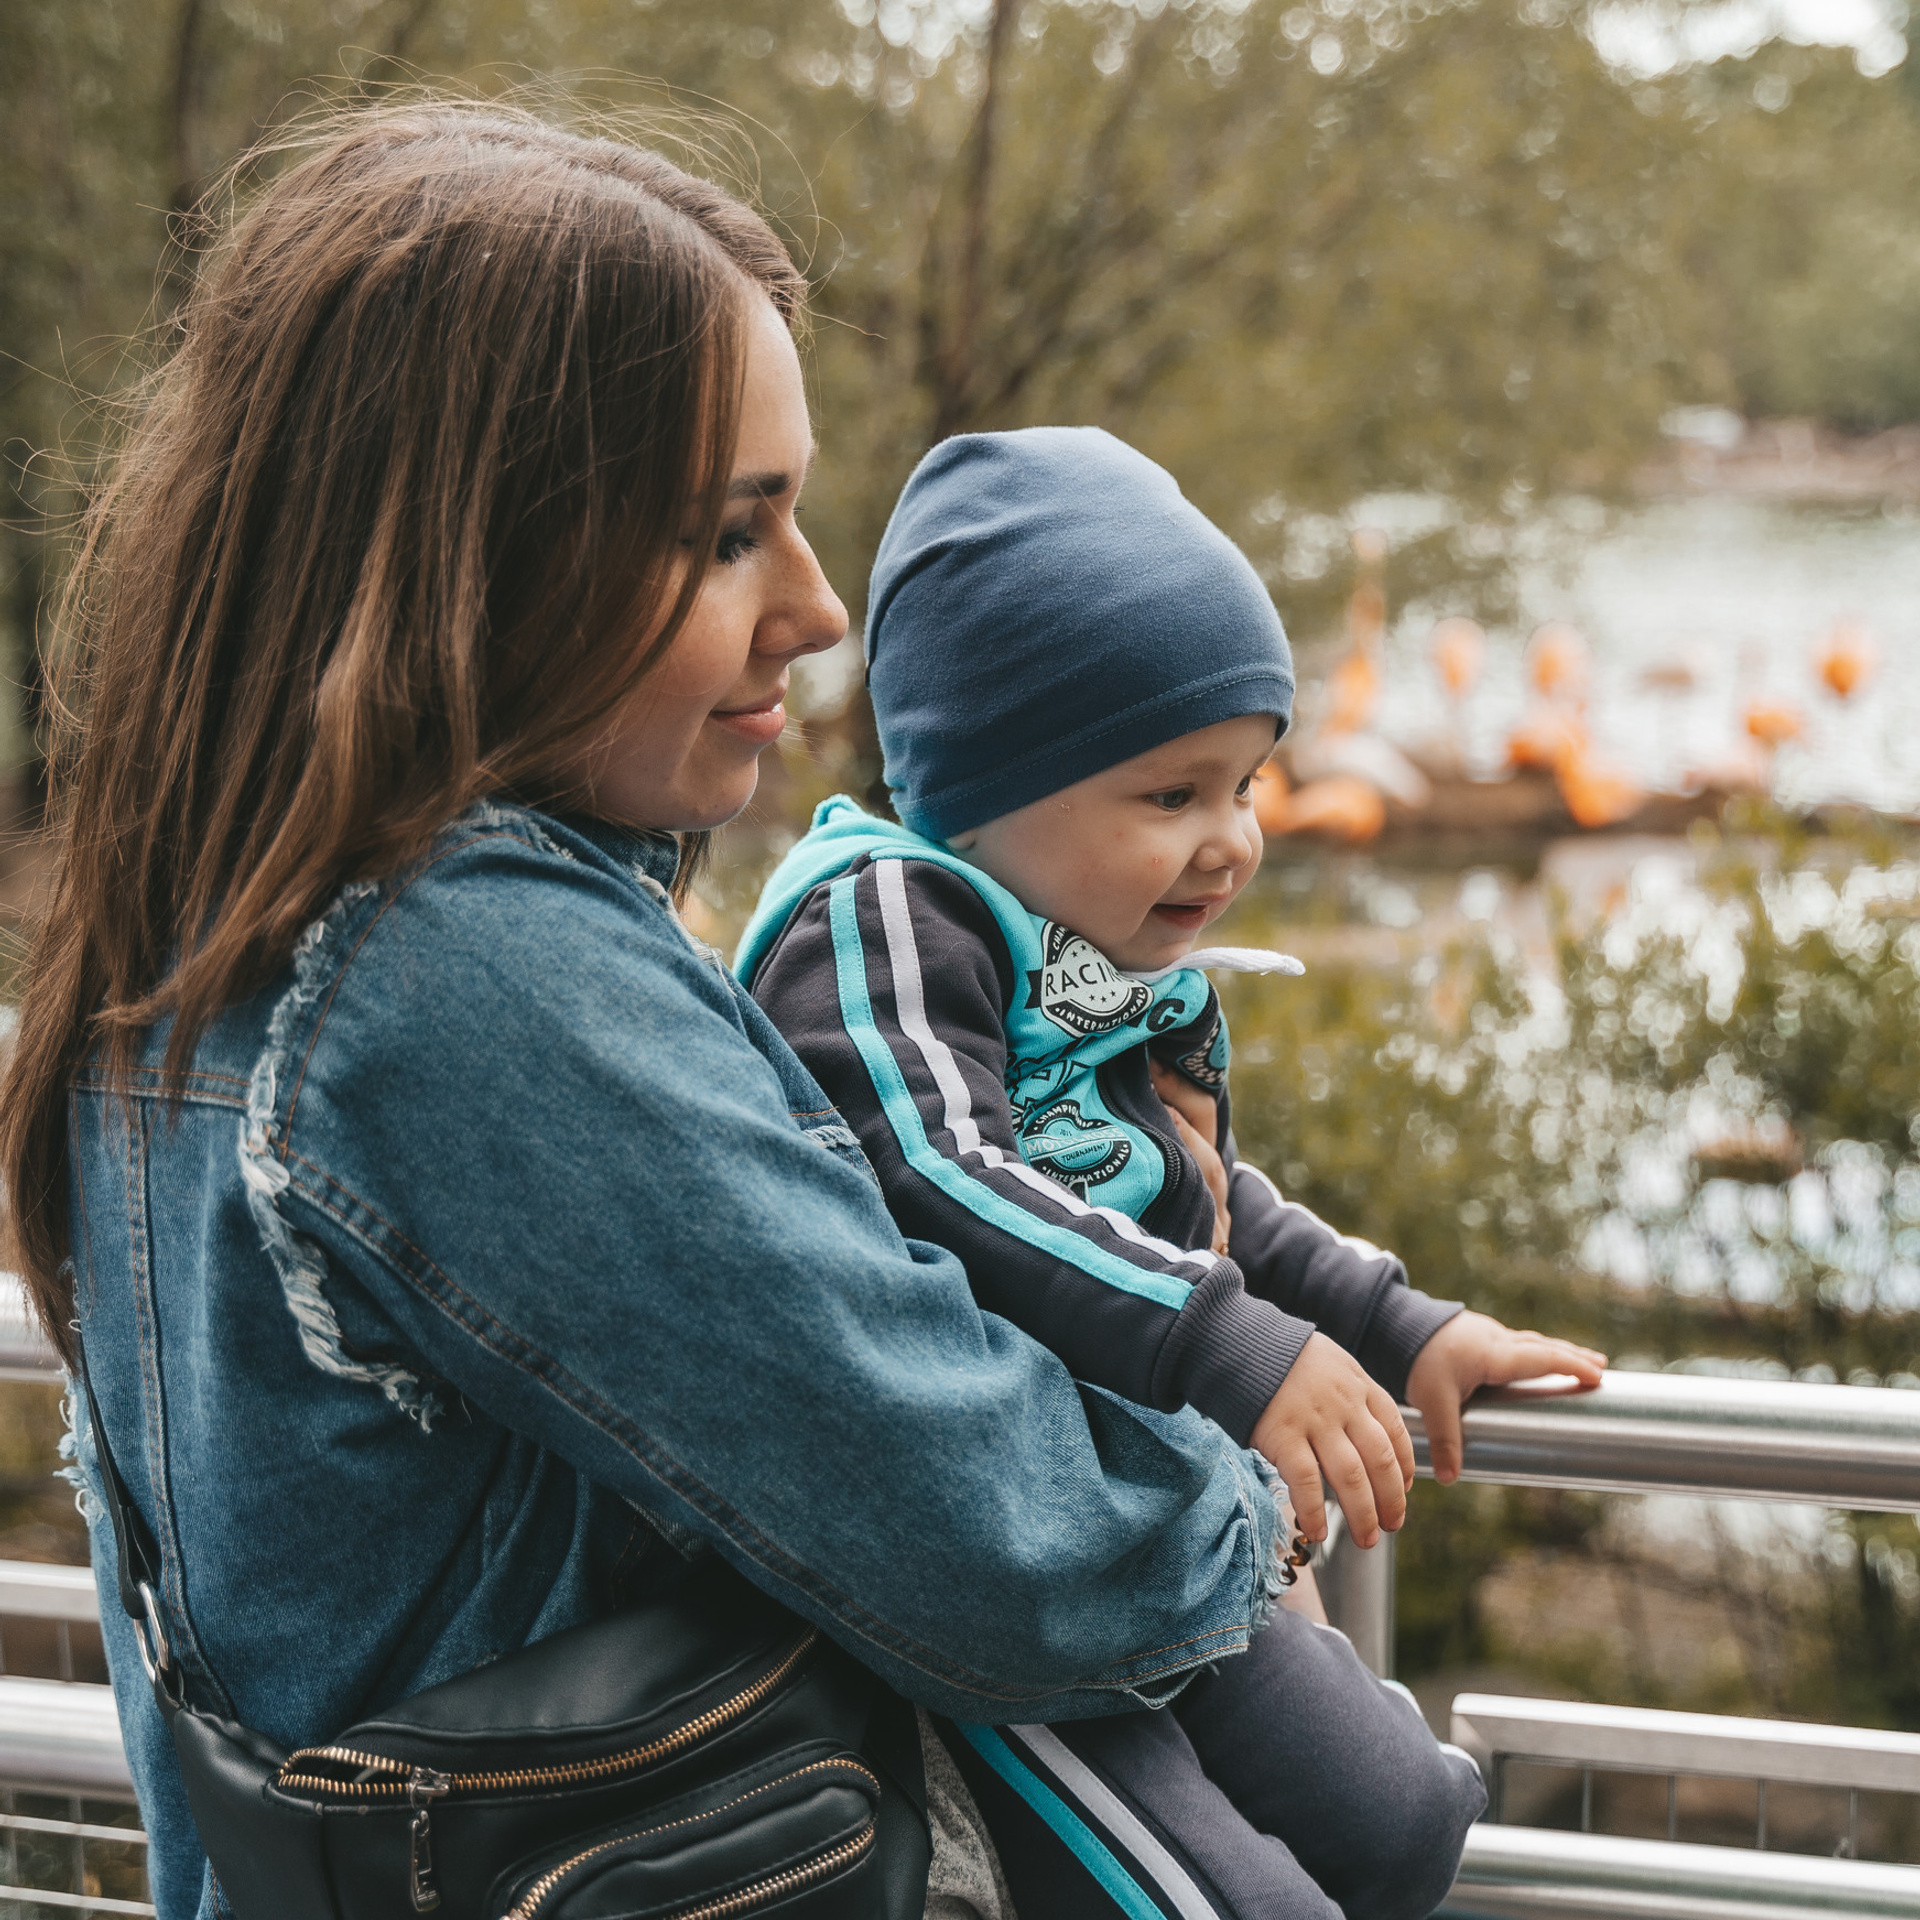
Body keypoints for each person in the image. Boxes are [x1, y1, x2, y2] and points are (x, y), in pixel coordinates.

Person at [0, 110, 1309, 1920]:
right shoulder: (463, 978)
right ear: (484, 556)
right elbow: (996, 1542)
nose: (820, 609)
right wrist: (1264, 1484)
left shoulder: (190, 929)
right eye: (725, 537)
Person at [740, 427, 1607, 1919]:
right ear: (984, 781)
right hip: (1003, 1572)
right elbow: (939, 1166)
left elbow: (1192, 1196)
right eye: (1172, 798)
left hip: (1162, 1522)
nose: (1235, 844)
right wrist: (1229, 1343)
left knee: (1401, 1824)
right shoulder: (880, 918)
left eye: (1250, 785)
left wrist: (1400, 1328)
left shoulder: (1092, 968)